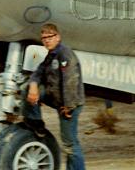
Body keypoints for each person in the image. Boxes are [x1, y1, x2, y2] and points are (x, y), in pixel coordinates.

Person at [23, 23, 86, 170]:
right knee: (27, 88)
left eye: (49, 37)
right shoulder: (51, 55)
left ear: (58, 37)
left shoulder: (65, 54)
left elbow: (70, 81)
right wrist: (33, 86)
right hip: (56, 98)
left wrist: (68, 106)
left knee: (70, 144)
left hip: (70, 104)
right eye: (43, 38)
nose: (46, 40)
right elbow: (39, 72)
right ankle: (36, 124)